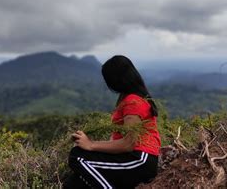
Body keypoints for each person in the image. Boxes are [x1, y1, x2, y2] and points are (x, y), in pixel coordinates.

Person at [64, 55, 161, 189]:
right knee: (74, 183)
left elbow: (128, 144)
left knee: (78, 156)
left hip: (139, 160)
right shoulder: (130, 98)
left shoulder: (133, 101)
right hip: (133, 158)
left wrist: (91, 145)